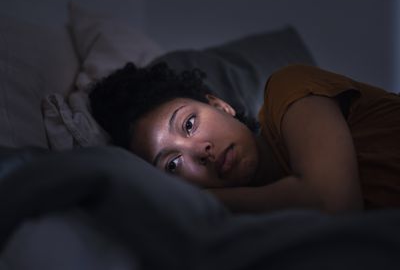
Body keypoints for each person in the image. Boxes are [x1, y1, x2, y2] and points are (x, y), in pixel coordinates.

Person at [89, 62, 400, 214]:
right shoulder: (249, 220)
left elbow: (335, 206)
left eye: (189, 124)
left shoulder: (288, 89)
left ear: (220, 105)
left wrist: (197, 201)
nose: (201, 152)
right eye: (172, 164)